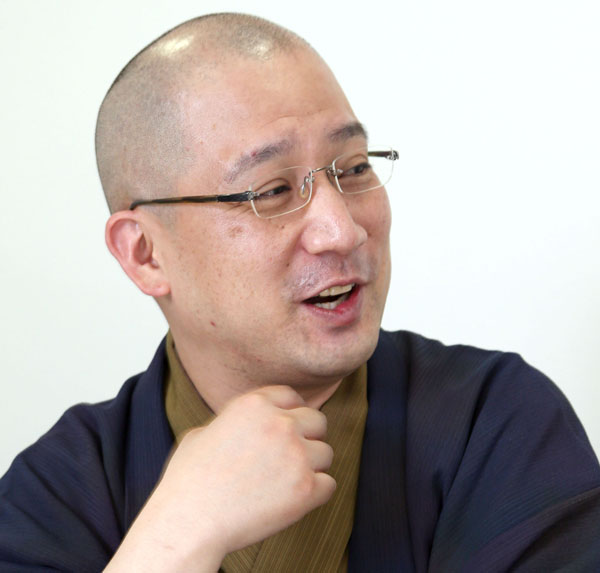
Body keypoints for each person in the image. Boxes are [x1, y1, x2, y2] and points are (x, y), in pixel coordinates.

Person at [1, 12, 599, 572]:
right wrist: (176, 536)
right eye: (271, 191)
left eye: (355, 168)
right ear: (146, 254)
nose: (343, 230)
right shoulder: (58, 492)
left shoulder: (496, 423)